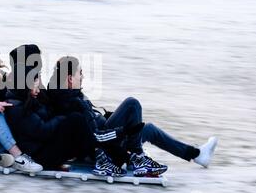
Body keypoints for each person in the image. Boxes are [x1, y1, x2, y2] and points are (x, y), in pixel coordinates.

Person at [47, 56, 218, 170]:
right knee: (132, 104)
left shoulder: (72, 94)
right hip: (104, 147)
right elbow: (94, 134)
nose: (83, 77)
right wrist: (123, 131)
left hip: (107, 137)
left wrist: (110, 119)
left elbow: (93, 119)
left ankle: (197, 155)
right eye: (80, 73)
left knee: (148, 129)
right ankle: (137, 156)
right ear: (69, 78)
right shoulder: (70, 101)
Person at [5, 63, 144, 177]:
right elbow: (42, 131)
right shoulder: (17, 107)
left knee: (78, 123)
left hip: (46, 148)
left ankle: (119, 157)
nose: (38, 85)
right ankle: (119, 157)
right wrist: (62, 118)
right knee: (75, 120)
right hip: (39, 157)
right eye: (35, 81)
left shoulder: (29, 99)